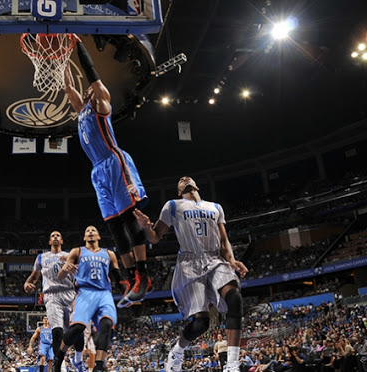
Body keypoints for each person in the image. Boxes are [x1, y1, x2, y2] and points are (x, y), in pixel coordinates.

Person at [63, 38, 150, 308]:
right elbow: (68, 87)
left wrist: (78, 47)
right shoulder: (82, 112)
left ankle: (144, 276)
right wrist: (61, 59)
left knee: (128, 218)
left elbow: (93, 77)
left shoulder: (102, 105)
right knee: (113, 225)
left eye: (90, 89)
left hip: (114, 162)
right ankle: (128, 278)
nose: (87, 91)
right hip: (97, 172)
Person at [133, 176, 248, 372]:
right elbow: (155, 236)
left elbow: (223, 241)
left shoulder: (215, 207)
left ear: (196, 185)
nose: (184, 179)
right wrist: (146, 227)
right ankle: (177, 352)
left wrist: (232, 260)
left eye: (188, 178)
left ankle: (232, 364)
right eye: (180, 180)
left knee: (234, 297)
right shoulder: (173, 205)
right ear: (179, 191)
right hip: (189, 263)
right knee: (202, 322)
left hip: (215, 259)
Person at [51, 225, 123, 372]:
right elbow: (60, 277)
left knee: (107, 325)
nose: (90, 232)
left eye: (93, 231)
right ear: (84, 237)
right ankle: (59, 357)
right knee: (78, 328)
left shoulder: (109, 254)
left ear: (98, 237)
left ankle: (98, 365)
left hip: (104, 293)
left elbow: (118, 278)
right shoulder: (77, 251)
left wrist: (127, 295)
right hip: (85, 292)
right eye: (87, 231)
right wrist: (65, 269)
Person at [24, 231, 85, 372]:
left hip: (70, 294)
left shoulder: (70, 256)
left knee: (78, 329)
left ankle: (78, 359)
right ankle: (59, 366)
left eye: (58, 235)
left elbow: (82, 275)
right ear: (50, 242)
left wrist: (76, 270)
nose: (55, 237)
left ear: (62, 241)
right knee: (57, 331)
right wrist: (26, 284)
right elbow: (33, 277)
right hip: (51, 296)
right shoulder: (41, 258)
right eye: (53, 236)